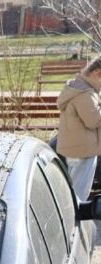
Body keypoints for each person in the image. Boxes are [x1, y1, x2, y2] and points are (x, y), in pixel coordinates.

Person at [56, 55, 101, 201]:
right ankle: (75, 212)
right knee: (79, 191)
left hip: (77, 146)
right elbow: (94, 120)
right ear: (97, 73)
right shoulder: (85, 93)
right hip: (84, 149)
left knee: (73, 185)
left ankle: (71, 209)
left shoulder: (81, 88)